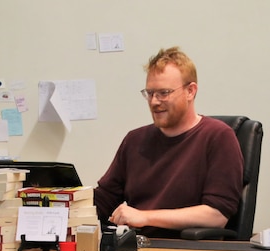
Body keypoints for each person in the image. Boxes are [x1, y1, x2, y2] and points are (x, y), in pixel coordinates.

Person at [93, 47, 244, 238]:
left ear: (190, 91)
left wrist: (145, 217)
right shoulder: (134, 140)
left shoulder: (218, 137)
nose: (154, 101)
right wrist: (61, 203)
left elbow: (216, 215)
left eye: (164, 93)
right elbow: (104, 201)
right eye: (150, 93)